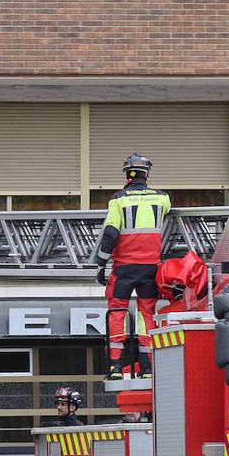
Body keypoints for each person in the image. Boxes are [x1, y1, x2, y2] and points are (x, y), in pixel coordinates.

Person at [95, 153, 171, 381]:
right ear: (146, 174)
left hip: (124, 268)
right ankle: (147, 368)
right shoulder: (163, 199)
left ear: (127, 174)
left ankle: (116, 367)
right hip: (150, 269)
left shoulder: (118, 199)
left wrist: (100, 263)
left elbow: (111, 233)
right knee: (147, 314)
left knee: (117, 312)